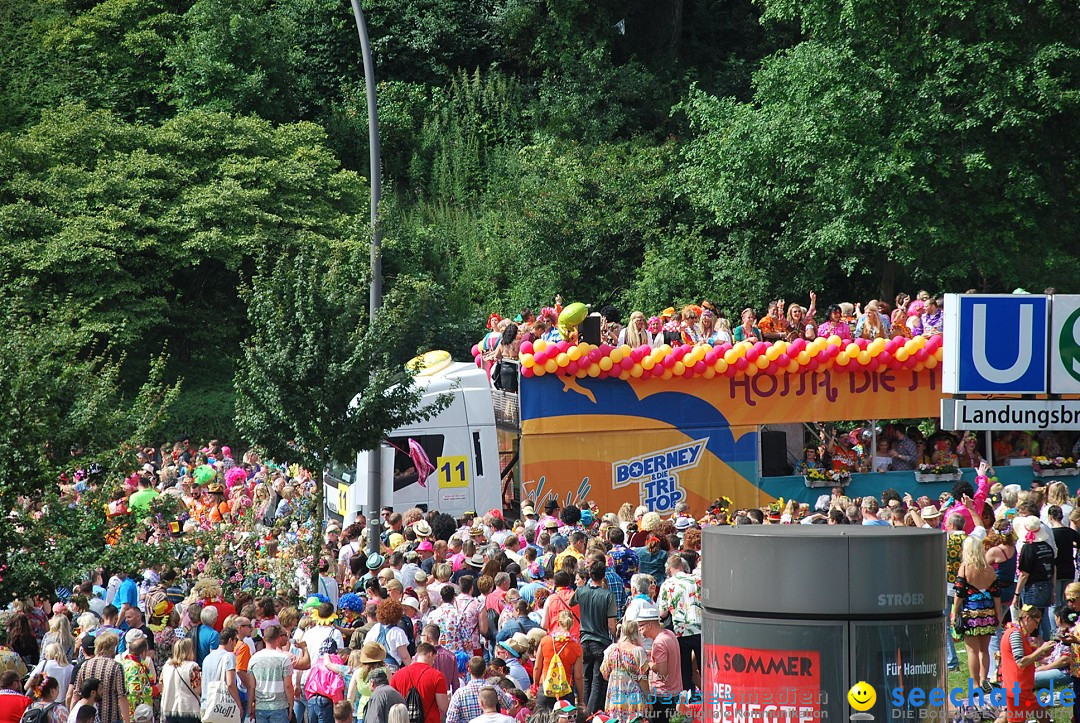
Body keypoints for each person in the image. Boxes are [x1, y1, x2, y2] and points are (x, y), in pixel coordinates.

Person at [951, 536, 1001, 692]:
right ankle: (985, 680)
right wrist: (998, 615)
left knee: (971, 650)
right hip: (988, 611)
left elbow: (959, 593)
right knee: (984, 649)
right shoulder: (990, 569)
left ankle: (975, 684)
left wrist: (953, 612)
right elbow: (996, 595)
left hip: (971, 611)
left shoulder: (965, 567)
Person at [1000, 605, 1054, 723]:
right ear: (1027, 618)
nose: (1036, 627)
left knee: (1044, 717)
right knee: (1042, 718)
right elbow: (1021, 662)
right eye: (1036, 622)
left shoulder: (1019, 634)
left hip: (1018, 687)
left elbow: (1028, 657)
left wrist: (1043, 653)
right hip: (1018, 688)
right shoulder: (1015, 635)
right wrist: (1041, 649)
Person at [657, 555, 702, 692]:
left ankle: (689, 701)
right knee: (703, 667)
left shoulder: (667, 585)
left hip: (681, 630)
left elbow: (663, 613)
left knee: (685, 670)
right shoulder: (697, 580)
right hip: (700, 628)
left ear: (669, 569)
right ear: (683, 566)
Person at [576, 560, 616, 713]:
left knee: (586, 679)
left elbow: (573, 601)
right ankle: (590, 714)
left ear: (589, 575)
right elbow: (611, 624)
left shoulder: (581, 591)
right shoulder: (608, 596)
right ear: (603, 576)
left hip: (584, 640)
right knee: (597, 681)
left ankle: (583, 711)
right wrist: (616, 640)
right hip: (601, 641)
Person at [637, 605, 681, 723]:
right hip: (675, 692)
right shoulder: (669, 634)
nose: (640, 631)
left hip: (663, 695)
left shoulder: (659, 643)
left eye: (641, 626)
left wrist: (649, 663)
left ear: (649, 625)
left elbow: (662, 672)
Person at [1015, 517, 1056, 642]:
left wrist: (1016, 593)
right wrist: (1052, 589)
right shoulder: (1047, 547)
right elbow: (1054, 569)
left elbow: (1024, 574)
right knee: (1041, 619)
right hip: (1046, 584)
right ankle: (1045, 647)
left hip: (1033, 587)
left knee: (1030, 623)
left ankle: (1036, 650)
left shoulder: (1028, 548)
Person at [73, 633, 129, 723]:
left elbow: (76, 693)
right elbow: (121, 696)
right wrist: (127, 720)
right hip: (111, 716)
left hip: (88, 718)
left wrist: (73, 714)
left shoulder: (85, 665)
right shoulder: (116, 666)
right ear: (111, 648)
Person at [599, 621, 648, 723]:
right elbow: (642, 678)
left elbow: (604, 673)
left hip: (614, 694)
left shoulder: (611, 649)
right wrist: (649, 699)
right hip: (634, 696)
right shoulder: (639, 651)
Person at [533, 611, 583, 710]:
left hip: (546, 687)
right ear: (572, 624)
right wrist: (581, 700)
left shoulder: (545, 641)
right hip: (565, 690)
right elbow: (578, 677)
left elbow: (537, 667)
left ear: (558, 623)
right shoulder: (576, 647)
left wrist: (535, 686)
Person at [388, 644, 448, 723]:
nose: (433, 663)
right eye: (434, 659)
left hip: (404, 720)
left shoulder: (397, 675)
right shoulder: (437, 676)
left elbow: (392, 703)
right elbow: (443, 707)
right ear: (430, 654)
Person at [248, 626, 294, 723]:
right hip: (280, 706)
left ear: (264, 639)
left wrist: (250, 707)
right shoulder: (284, 659)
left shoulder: (254, 658)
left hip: (260, 707)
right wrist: (291, 705)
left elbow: (251, 687)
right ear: (278, 638)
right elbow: (288, 686)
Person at [445, 657, 512, 723]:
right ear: (485, 670)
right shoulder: (494, 689)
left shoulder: (459, 694)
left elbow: (451, 720)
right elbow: (510, 705)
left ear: (469, 670)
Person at [160, 638, 201, 723]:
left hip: (169, 708)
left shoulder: (167, 666)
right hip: (188, 709)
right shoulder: (192, 666)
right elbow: (197, 689)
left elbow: (162, 684)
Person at [200, 627, 240, 712]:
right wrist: (239, 705)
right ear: (230, 640)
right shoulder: (229, 656)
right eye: (236, 640)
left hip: (205, 705)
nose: (236, 644)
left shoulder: (208, 657)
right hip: (221, 708)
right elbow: (230, 683)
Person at [363, 602, 411, 672]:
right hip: (391, 670)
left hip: (374, 668)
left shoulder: (374, 628)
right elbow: (405, 656)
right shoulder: (398, 632)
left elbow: (366, 647)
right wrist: (411, 670)